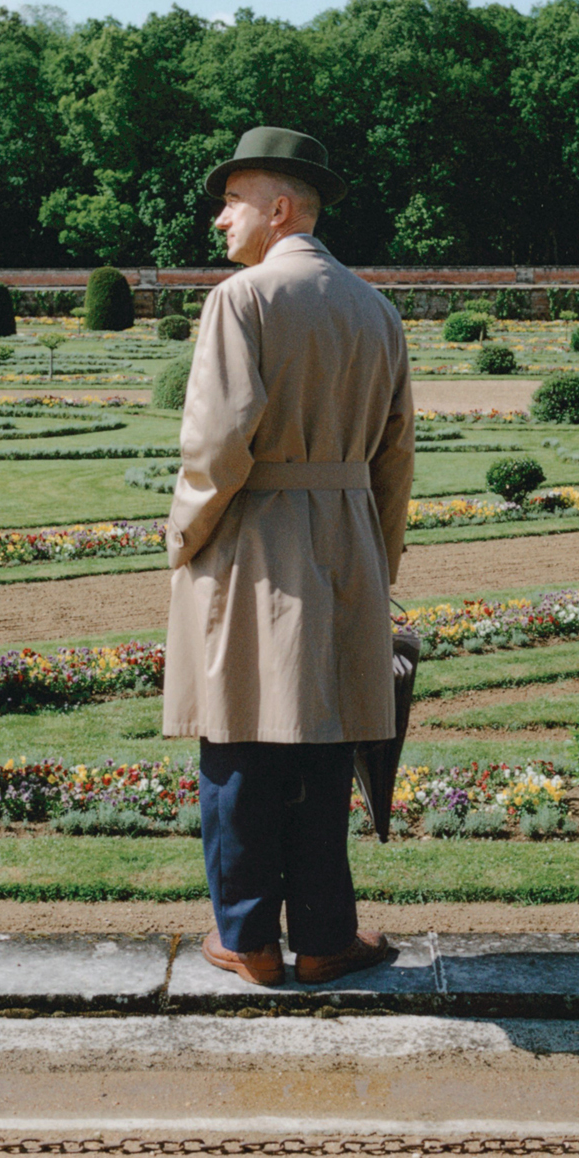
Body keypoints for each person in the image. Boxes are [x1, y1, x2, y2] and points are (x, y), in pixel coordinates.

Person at [163, 127, 415, 988]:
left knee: (238, 743)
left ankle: (250, 943)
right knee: (320, 747)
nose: (219, 222)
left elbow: (217, 446)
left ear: (278, 210)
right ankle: (324, 939)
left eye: (231, 203)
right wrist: (375, 561)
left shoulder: (241, 301)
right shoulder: (377, 310)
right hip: (347, 537)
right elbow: (396, 459)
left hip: (254, 538)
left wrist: (183, 534)